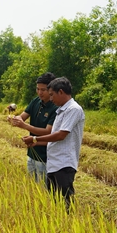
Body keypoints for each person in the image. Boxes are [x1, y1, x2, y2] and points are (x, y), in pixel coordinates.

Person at [22, 77, 85, 211]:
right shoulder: (61, 110)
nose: (50, 99)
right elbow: (54, 139)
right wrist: (37, 143)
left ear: (61, 92)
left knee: (65, 202)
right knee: (55, 202)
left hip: (64, 164)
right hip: (54, 163)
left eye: (52, 95)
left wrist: (35, 139)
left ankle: (71, 226)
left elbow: (61, 135)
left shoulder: (73, 109)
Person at [8, 72, 58, 182]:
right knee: (33, 187)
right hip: (31, 153)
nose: (40, 92)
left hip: (45, 156)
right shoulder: (36, 101)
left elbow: (48, 132)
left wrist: (25, 126)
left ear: (51, 90)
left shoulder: (55, 107)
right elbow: (22, 117)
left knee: (43, 189)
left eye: (43, 90)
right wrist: (14, 119)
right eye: (38, 89)